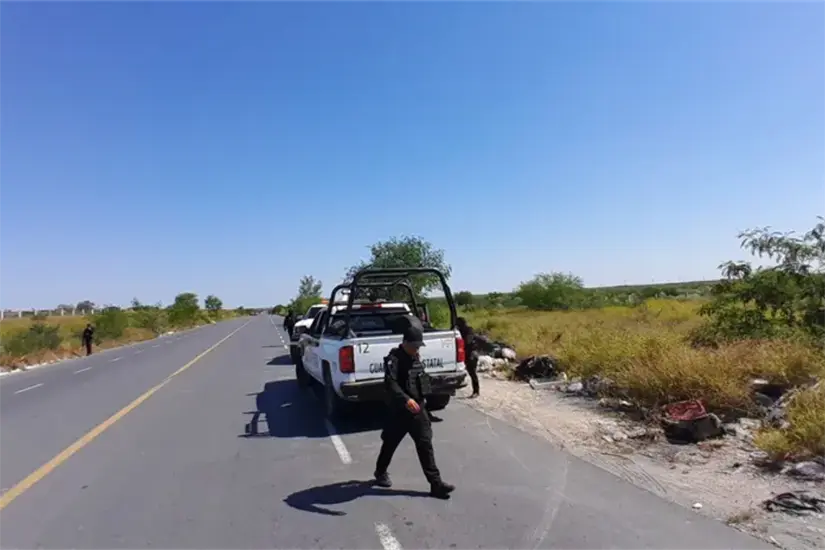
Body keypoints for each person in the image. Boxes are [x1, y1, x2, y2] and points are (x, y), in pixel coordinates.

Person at [374, 319, 455, 499]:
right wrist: (405, 400)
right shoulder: (394, 359)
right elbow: (390, 383)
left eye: (419, 347)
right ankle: (380, 472)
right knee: (390, 444)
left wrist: (442, 383)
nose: (417, 350)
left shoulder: (416, 358)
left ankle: (436, 485)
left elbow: (422, 380)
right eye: (414, 346)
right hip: (400, 412)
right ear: (405, 343)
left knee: (425, 445)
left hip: (418, 410)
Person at [456, 317, 479, 398]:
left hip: (471, 353)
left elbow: (467, 341)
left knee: (473, 373)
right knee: (470, 372)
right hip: (465, 353)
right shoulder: (460, 331)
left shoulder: (469, 330)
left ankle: (476, 391)